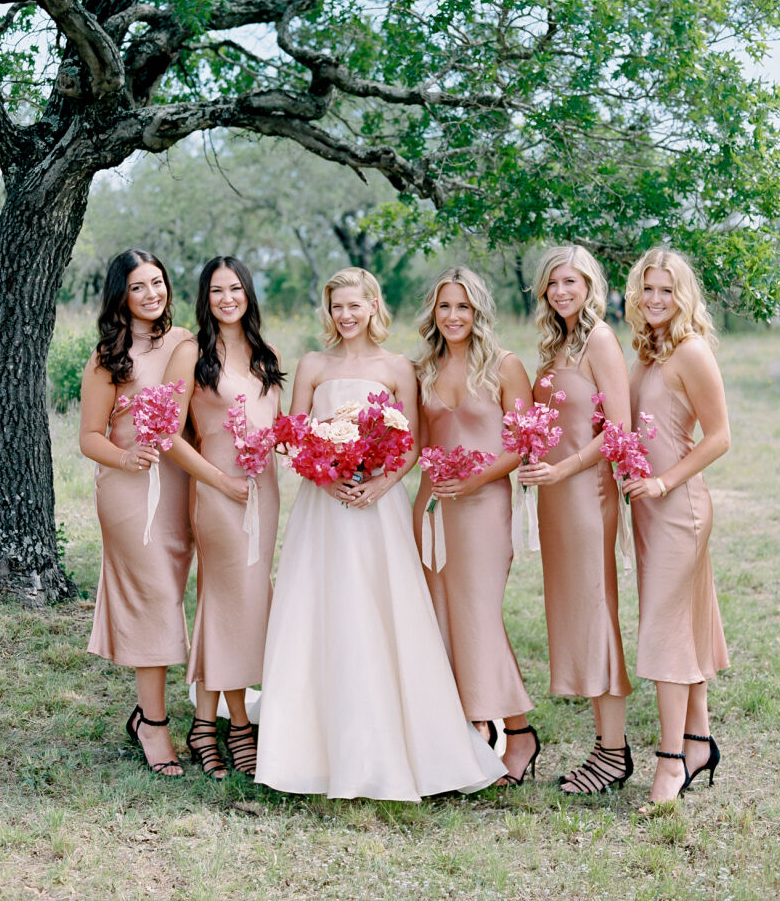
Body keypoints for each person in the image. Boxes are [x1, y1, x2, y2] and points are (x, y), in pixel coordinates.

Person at [254, 267, 505, 800]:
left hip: (379, 506)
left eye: (355, 306)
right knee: (319, 613)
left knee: (380, 612)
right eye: (336, 307)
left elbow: (411, 443)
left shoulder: (398, 367)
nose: (346, 316)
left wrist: (379, 485)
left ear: (373, 306)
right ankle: (309, 745)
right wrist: (325, 471)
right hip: (322, 508)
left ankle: (397, 740)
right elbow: (294, 436)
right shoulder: (313, 365)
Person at [412, 266, 540, 786]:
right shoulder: (423, 368)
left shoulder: (505, 367)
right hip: (431, 508)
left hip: (484, 506)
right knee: (442, 616)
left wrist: (472, 481)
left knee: (479, 615)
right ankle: (473, 727)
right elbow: (417, 442)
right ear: (433, 312)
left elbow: (522, 442)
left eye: (462, 306)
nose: (453, 315)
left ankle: (521, 731)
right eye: (444, 306)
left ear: (478, 311)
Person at [519, 247, 634, 793]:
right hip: (554, 497)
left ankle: (613, 752)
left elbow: (619, 431)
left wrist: (563, 468)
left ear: (589, 284)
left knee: (595, 612)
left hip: (586, 493)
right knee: (572, 614)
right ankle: (604, 746)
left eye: (571, 281)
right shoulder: (555, 343)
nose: (561, 291)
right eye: (552, 283)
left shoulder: (601, 341)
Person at [164, 257, 283, 778]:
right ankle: (234, 726)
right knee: (226, 603)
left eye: (235, 289)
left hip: (265, 493)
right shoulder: (193, 352)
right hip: (218, 492)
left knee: (246, 606)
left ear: (248, 294)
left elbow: (278, 426)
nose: (227, 298)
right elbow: (168, 435)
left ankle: (205, 725)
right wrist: (220, 481)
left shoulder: (266, 354)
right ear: (205, 298)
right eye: (216, 291)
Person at [79, 249, 193, 776]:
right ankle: (154, 725)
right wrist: (125, 457)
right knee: (157, 599)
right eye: (138, 287)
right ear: (121, 296)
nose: (152, 294)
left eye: (157, 283)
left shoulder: (183, 341)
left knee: (169, 594)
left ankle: (149, 716)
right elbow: (88, 437)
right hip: (127, 491)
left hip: (175, 486)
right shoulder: (108, 357)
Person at [623, 248, 729, 806]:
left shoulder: (690, 351)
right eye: (648, 289)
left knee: (664, 629)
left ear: (682, 295)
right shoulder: (646, 351)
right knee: (680, 621)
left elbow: (719, 436)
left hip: (679, 507)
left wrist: (663, 483)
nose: (656, 299)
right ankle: (697, 741)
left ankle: (669, 763)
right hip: (646, 507)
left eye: (667, 290)